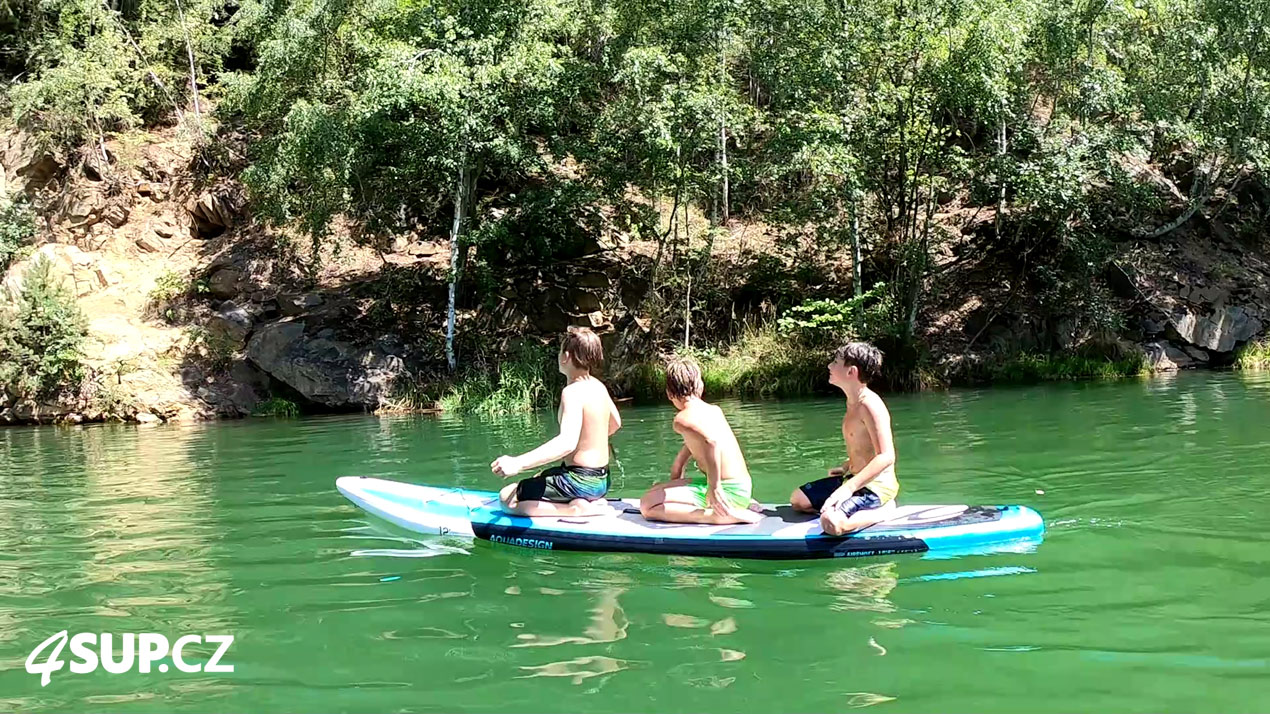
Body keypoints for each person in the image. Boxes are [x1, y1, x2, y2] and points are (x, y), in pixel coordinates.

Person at [491, 327, 621, 516]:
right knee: (538, 477)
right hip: (601, 481)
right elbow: (615, 423)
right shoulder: (598, 386)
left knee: (507, 498)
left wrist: (517, 463)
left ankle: (574, 509)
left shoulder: (572, 392)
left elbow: (566, 443)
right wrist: (590, 439)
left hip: (580, 481)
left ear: (565, 356)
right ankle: (584, 502)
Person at [790, 342, 899, 536]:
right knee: (798, 500)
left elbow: (886, 456)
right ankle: (842, 508)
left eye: (835, 362)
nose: (829, 366)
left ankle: (884, 511)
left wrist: (847, 489)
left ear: (851, 372)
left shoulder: (870, 405)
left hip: (875, 486)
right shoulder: (852, 402)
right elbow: (863, 446)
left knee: (831, 524)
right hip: (852, 477)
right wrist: (848, 466)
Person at [639, 357, 762, 525]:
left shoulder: (681, 419)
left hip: (727, 490)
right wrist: (675, 477)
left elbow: (711, 443)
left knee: (646, 505)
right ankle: (741, 501)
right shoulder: (713, 410)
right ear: (700, 385)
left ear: (669, 393)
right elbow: (692, 449)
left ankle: (717, 515)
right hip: (741, 487)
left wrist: (714, 488)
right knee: (656, 490)